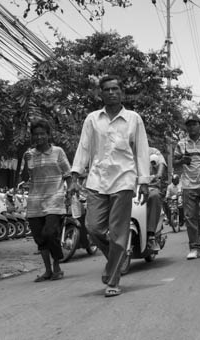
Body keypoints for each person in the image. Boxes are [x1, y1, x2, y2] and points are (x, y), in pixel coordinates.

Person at [70, 75, 150, 297]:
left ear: (121, 92)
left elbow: (142, 151)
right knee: (93, 227)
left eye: (116, 89)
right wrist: (75, 176)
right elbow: (84, 147)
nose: (112, 92)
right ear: (101, 93)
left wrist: (143, 181)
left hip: (124, 180)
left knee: (118, 234)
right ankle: (118, 255)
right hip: (96, 180)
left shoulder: (134, 118)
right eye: (107, 89)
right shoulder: (93, 119)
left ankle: (113, 279)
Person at [21, 119, 72, 282]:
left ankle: (57, 265)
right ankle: (48, 270)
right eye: (36, 134)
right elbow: (24, 177)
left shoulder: (58, 152)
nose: (39, 137)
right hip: (35, 201)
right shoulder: (29, 154)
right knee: (39, 238)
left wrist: (70, 190)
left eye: (42, 134)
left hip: (55, 198)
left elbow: (68, 173)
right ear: (32, 136)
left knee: (49, 233)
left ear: (48, 135)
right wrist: (26, 162)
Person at [174, 113, 200, 259]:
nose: (191, 127)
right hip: (188, 185)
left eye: (194, 124)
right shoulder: (181, 144)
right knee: (190, 217)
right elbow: (175, 162)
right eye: (189, 124)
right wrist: (182, 161)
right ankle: (194, 248)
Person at [147, 147, 166, 250]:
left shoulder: (152, 152)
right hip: (130, 188)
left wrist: (158, 174)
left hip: (150, 186)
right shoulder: (125, 151)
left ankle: (151, 234)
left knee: (154, 196)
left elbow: (161, 163)